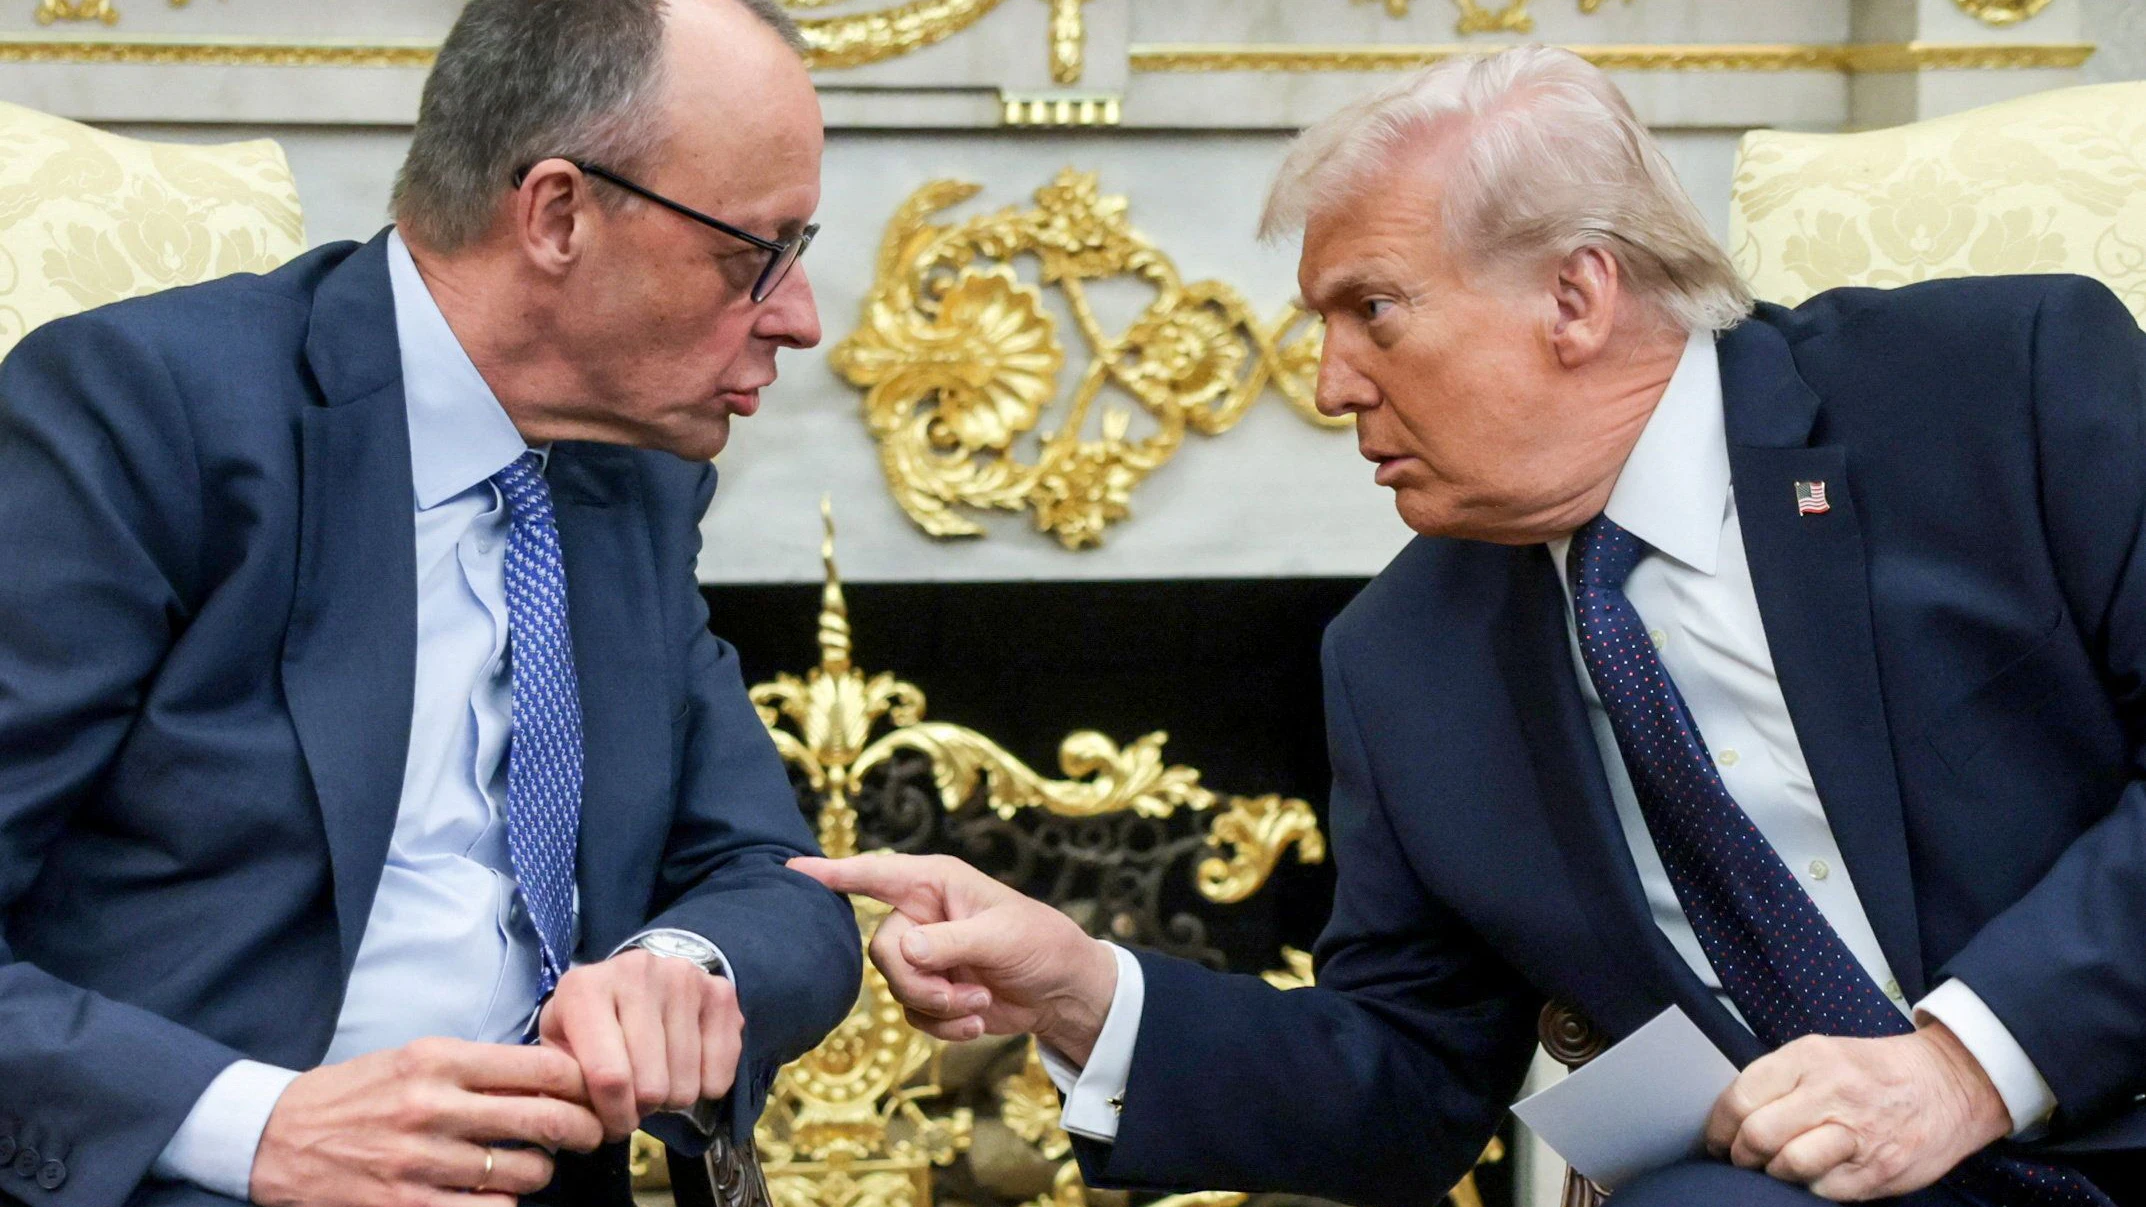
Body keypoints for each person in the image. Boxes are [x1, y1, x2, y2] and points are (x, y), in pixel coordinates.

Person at [792, 45, 2146, 1207]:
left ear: (1575, 295)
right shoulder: (1402, 659)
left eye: (1369, 310)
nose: (1326, 385)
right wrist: (1083, 986)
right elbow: (1407, 1072)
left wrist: (1965, 1063)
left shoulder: (1992, 389)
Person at [0, 1, 860, 1204]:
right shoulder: (151, 414)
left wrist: (681, 965)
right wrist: (252, 1127)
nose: (800, 316)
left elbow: (782, 885)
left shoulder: (635, 480)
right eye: (751, 254)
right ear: (558, 214)